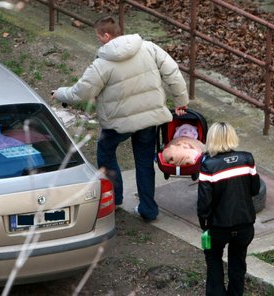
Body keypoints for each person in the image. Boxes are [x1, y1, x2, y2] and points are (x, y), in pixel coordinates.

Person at [51, 15, 189, 221]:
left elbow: (81, 93)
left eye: (98, 36)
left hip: (119, 124)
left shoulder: (102, 64)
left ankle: (114, 199)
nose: (97, 40)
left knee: (105, 152)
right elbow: (173, 73)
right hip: (149, 118)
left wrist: (59, 93)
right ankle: (148, 210)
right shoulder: (148, 47)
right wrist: (181, 101)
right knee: (144, 163)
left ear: (106, 36)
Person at [197, 122, 261, 296]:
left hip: (218, 228)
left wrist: (204, 224)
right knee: (238, 263)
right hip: (245, 225)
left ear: (211, 139)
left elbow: (204, 202)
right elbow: (255, 190)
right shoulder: (247, 159)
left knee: (213, 258)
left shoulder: (208, 166)